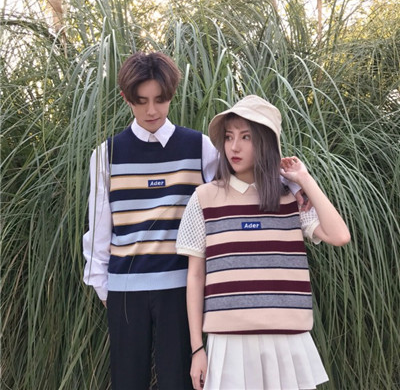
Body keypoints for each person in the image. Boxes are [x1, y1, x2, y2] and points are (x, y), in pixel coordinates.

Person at [83, 52, 307, 389]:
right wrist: (103, 286)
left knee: (179, 381)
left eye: (160, 99)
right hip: (124, 291)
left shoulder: (198, 146)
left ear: (171, 95)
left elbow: (241, 176)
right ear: (126, 98)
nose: (152, 110)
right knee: (127, 381)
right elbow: (100, 225)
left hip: (179, 288)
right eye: (141, 101)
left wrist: (294, 185)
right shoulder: (106, 154)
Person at [176, 95, 351, 390]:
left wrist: (304, 180)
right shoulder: (204, 198)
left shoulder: (291, 199)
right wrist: (197, 349)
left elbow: (339, 236)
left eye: (246, 137)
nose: (234, 146)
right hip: (228, 341)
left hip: (287, 339)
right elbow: (194, 276)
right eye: (229, 137)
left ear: (266, 143)